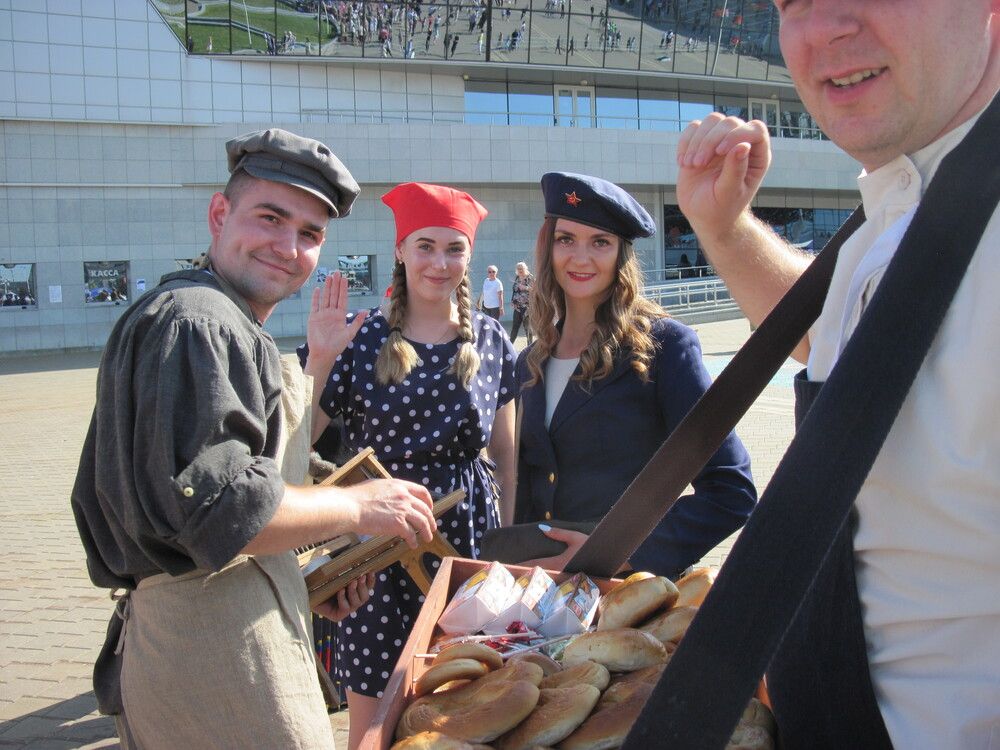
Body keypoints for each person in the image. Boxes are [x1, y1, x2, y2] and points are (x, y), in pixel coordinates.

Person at [675, 2, 999, 746]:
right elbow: (867, 360)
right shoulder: (896, 208)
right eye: (792, 2)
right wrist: (724, 230)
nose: (822, 28)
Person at [70, 129, 438, 749]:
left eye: (310, 233)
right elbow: (222, 508)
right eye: (270, 217)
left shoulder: (226, 320)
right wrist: (359, 505)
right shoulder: (199, 320)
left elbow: (239, 492)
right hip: (212, 649)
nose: (288, 247)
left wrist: (306, 577)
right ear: (220, 214)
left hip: (229, 625)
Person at [300, 182, 517, 750]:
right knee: (372, 722)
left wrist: (503, 550)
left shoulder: (491, 339)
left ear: (469, 256)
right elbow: (300, 440)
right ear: (400, 250)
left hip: (464, 538)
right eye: (425, 246)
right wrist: (319, 359)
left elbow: (507, 456)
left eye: (454, 249)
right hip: (376, 545)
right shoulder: (361, 336)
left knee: (466, 706)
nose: (439, 263)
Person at [513, 172, 757, 577]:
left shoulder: (664, 347)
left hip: (628, 593)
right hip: (544, 593)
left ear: (621, 254)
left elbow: (730, 490)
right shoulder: (530, 362)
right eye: (566, 239)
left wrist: (615, 552)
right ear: (547, 247)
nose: (580, 258)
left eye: (600, 242)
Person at [509, 261, 534, 344]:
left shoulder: (530, 277)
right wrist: (512, 301)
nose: (520, 270)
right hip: (517, 307)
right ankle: (510, 345)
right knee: (515, 327)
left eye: (521, 268)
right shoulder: (517, 278)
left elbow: (536, 290)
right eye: (518, 268)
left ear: (525, 268)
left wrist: (525, 287)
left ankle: (529, 347)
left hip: (527, 308)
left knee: (528, 328)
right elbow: (514, 291)